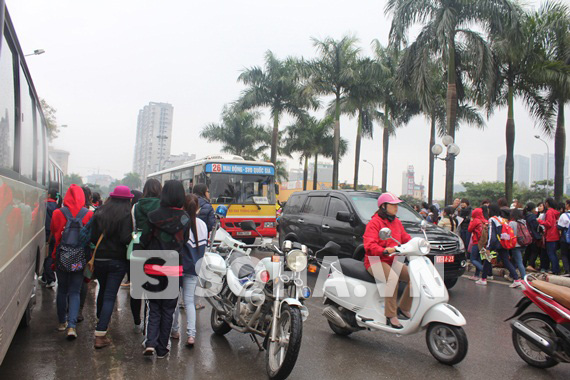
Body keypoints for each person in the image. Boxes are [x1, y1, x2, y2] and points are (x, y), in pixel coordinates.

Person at [141, 180, 190, 358]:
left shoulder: (153, 215)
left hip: (153, 265)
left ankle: (150, 343)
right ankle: (162, 348)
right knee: (168, 310)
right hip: (173, 267)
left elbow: (144, 239)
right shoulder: (185, 218)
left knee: (154, 307)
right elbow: (184, 240)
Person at [89, 185, 134, 348]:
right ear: (127, 200)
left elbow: (93, 237)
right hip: (117, 261)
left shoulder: (99, 212)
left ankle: (102, 322)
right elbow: (125, 238)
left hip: (100, 259)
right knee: (110, 295)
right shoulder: (125, 215)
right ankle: (100, 334)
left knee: (103, 290)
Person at [50, 184, 93, 339]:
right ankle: (72, 326)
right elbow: (90, 237)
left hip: (61, 256)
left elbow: (54, 233)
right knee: (75, 291)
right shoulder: (88, 214)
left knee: (62, 289)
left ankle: (62, 322)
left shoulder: (57, 213)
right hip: (79, 259)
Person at [363, 193, 412, 329]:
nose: (396, 208)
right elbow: (369, 245)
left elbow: (405, 237)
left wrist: (417, 244)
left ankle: (403, 307)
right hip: (375, 260)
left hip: (391, 261)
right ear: (383, 206)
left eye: (397, 205)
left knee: (414, 277)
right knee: (392, 279)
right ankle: (391, 315)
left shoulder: (396, 222)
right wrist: (384, 250)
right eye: (393, 205)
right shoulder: (374, 223)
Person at [131, 178, 163, 332]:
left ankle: (137, 319)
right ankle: (150, 326)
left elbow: (134, 229)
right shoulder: (163, 206)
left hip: (139, 248)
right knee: (155, 290)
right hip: (158, 248)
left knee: (137, 287)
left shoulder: (136, 206)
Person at [176, 194, 207, 346]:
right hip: (194, 268)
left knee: (174, 301)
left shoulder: (181, 221)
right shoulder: (202, 224)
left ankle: (175, 331)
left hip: (178, 266)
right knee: (189, 302)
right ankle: (191, 335)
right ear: (197, 208)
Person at [477, 203, 520, 287]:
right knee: (506, 261)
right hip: (503, 242)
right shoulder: (503, 219)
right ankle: (516, 279)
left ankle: (483, 279)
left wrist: (488, 247)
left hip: (495, 243)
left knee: (487, 259)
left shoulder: (492, 219)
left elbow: (491, 235)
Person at [39, 188, 59, 287]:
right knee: (49, 255)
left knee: (47, 257)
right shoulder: (57, 207)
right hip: (53, 235)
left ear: (49, 195)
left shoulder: (43, 205)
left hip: (44, 234)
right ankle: (44, 277)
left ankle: (50, 279)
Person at [538, 198, 561, 274]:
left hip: (550, 235)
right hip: (555, 234)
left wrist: (540, 221)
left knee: (551, 253)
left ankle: (555, 270)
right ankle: (556, 269)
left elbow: (549, 224)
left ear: (547, 203)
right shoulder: (555, 212)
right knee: (553, 253)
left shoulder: (549, 212)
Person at [467, 207, 487, 280]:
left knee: (473, 259)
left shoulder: (476, 220)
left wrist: (471, 221)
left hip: (476, 242)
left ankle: (484, 271)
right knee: (479, 259)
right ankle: (476, 275)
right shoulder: (485, 220)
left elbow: (469, 229)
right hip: (483, 242)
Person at [508, 209, 526, 282]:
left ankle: (524, 278)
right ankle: (511, 275)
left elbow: (509, 234)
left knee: (519, 262)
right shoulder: (523, 222)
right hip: (524, 244)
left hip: (516, 245)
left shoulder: (511, 223)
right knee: (514, 260)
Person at [523, 202, 542, 270]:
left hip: (526, 236)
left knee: (528, 251)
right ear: (533, 209)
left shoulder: (525, 215)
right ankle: (530, 264)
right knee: (535, 251)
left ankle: (524, 264)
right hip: (533, 236)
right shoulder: (532, 216)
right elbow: (536, 226)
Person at [557, 200, 570, 276]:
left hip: (565, 238)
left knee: (564, 254)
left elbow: (560, 227)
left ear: (568, 205)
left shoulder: (564, 215)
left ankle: (567, 271)